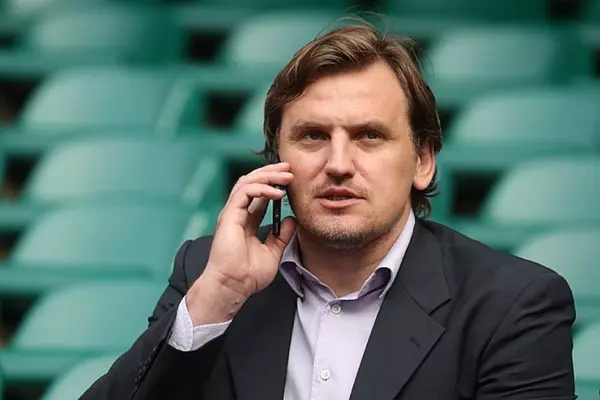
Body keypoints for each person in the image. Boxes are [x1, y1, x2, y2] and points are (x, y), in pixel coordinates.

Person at [82, 21, 576, 400]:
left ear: (422, 161)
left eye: (369, 136)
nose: (338, 164)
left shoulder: (512, 304)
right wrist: (218, 297)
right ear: (277, 161)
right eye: (313, 136)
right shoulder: (208, 273)